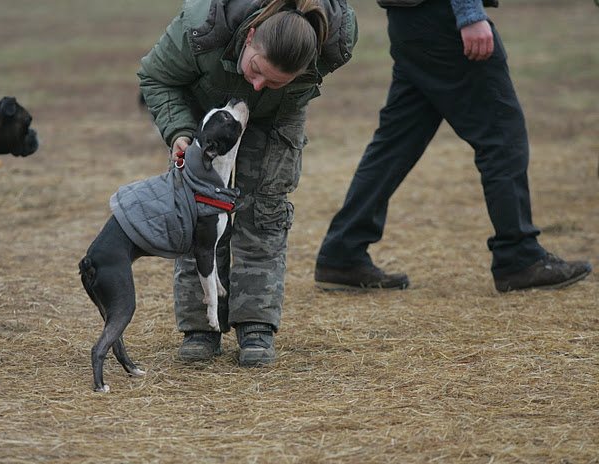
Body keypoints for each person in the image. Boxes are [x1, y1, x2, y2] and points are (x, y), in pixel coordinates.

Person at [314, 0, 592, 292]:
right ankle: (519, 256)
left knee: (396, 142)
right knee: (502, 134)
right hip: (444, 15)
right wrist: (469, 13)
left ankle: (342, 254)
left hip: (407, 19)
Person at [138, 0, 359, 365]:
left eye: (274, 81)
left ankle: (255, 326)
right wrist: (178, 130)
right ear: (250, 36)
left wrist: (278, 90)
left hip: (278, 117)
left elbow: (280, 79)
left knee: (266, 211)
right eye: (256, 69)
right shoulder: (203, 28)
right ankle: (200, 327)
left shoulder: (336, 40)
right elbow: (155, 77)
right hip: (207, 112)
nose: (257, 85)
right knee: (198, 215)